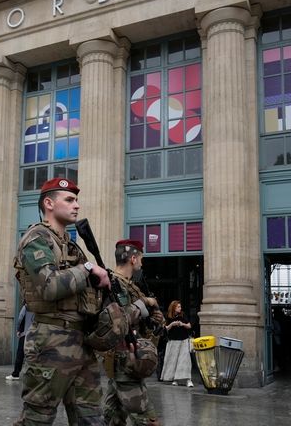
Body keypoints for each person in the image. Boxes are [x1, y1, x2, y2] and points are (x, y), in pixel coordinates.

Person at [13, 177, 111, 426]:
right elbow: (50, 285)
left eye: (76, 200)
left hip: (82, 341)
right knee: (38, 418)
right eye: (69, 199)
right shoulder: (36, 239)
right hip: (51, 340)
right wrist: (89, 268)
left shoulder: (71, 245)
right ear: (49, 203)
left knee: (91, 418)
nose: (76, 205)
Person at [103, 239, 162, 426]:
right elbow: (118, 320)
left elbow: (137, 320)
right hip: (124, 357)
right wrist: (145, 303)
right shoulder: (112, 284)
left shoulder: (130, 285)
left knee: (112, 417)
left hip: (126, 357)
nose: (142, 263)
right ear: (133, 259)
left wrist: (154, 319)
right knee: (146, 419)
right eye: (141, 259)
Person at [161, 300, 193, 387]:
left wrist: (182, 324)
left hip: (183, 340)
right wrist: (172, 324)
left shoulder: (183, 315)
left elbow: (189, 326)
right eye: (178, 307)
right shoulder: (168, 316)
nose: (180, 308)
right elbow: (165, 329)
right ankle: (175, 379)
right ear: (174, 308)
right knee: (173, 360)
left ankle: (188, 379)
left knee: (185, 360)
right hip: (173, 341)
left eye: (180, 306)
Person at [6, 303, 34, 381]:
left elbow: (20, 318)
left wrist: (18, 330)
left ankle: (16, 374)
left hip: (25, 333)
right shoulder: (40, 307)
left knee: (20, 354)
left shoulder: (26, 306)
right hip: (36, 333)